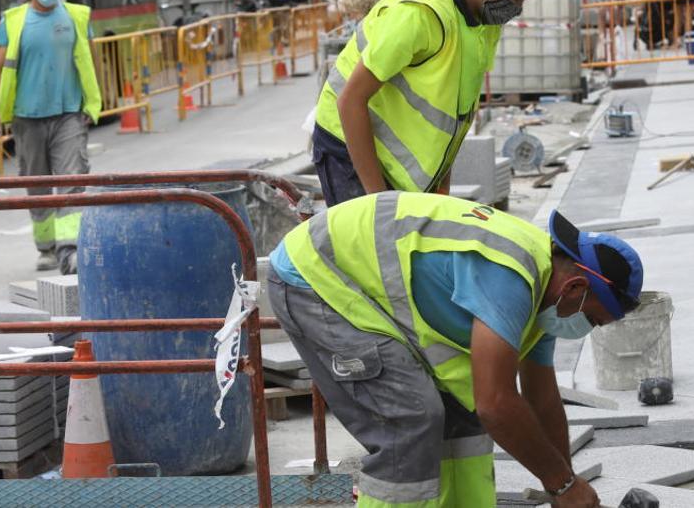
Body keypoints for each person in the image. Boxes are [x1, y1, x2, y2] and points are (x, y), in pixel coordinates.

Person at [268, 191, 645, 507]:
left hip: (369, 285)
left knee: (462, 414)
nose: (584, 328)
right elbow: (496, 403)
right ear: (576, 288)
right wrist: (562, 485)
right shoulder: (512, 278)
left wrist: (565, 483)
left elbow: (541, 399)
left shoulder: (548, 294)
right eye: (593, 320)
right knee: (410, 420)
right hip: (317, 275)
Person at [311, 0, 546, 206]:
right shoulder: (419, 14)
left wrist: (440, 190)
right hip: (348, 143)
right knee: (373, 241)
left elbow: (455, 114)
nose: (517, 9)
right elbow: (349, 101)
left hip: (398, 162)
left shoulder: (485, 22)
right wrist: (380, 206)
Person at [0, 0, 101, 275]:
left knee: (71, 181)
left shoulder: (77, 16)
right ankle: (46, 247)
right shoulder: (14, 21)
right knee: (37, 185)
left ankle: (70, 249)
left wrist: (93, 101)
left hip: (68, 114)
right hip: (27, 116)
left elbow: (91, 58)